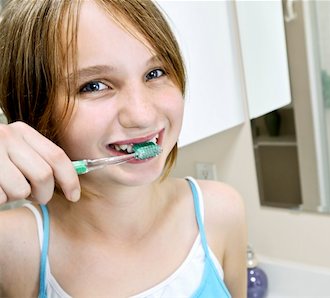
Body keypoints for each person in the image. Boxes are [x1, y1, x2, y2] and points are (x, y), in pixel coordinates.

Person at [0, 0, 247, 297]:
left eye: (155, 73)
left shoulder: (220, 212)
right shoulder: (13, 246)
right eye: (94, 86)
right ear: (36, 112)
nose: (142, 115)